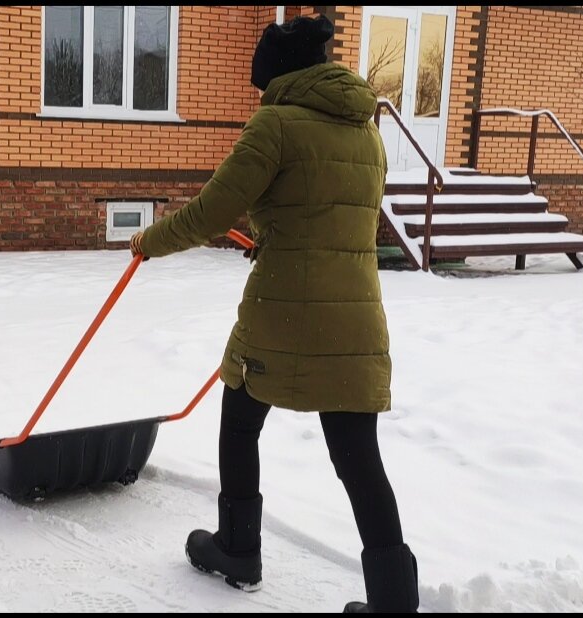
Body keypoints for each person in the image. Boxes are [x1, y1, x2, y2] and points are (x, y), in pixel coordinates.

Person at [129, 15, 418, 614]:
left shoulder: (276, 124)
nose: (260, 94)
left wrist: (149, 241)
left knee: (239, 417)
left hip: (282, 311)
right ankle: (395, 600)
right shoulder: (365, 132)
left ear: (280, 76)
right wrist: (274, 230)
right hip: (355, 317)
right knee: (358, 456)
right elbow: (329, 218)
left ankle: (238, 550)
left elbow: (212, 211)